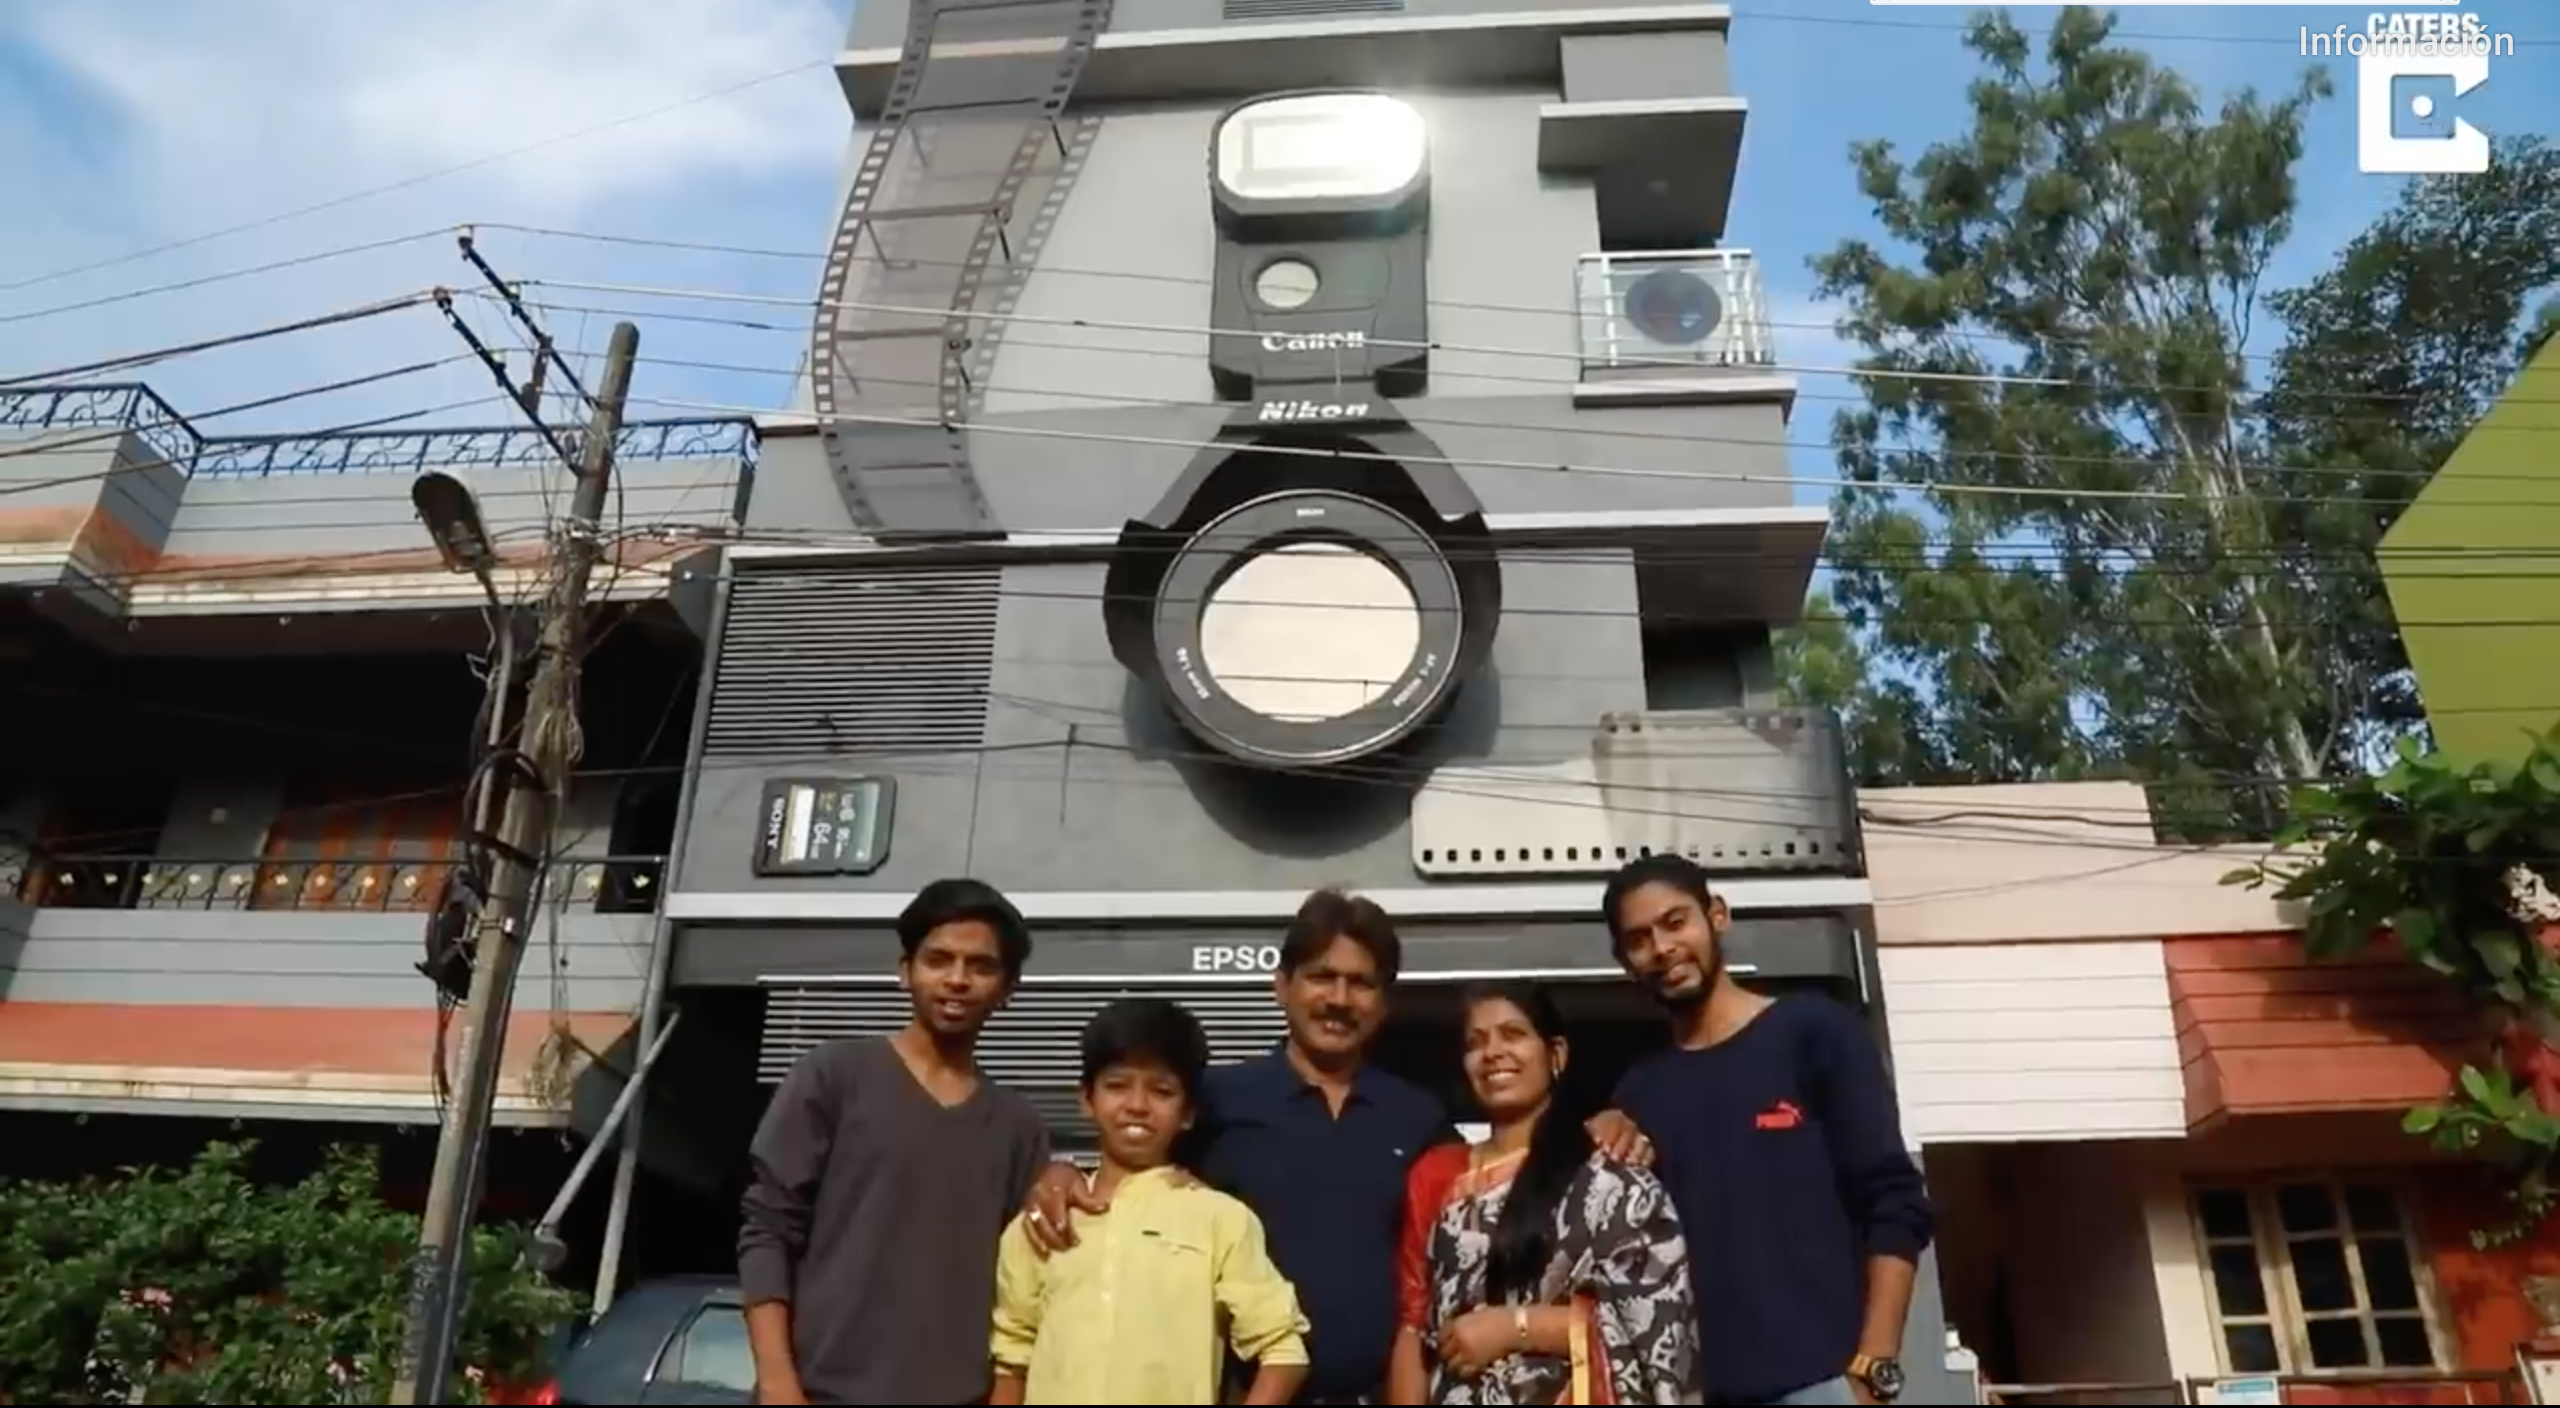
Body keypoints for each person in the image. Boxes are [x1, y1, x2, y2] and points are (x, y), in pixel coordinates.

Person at [1020, 889, 1651, 1404]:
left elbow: (1497, 1196)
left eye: (1361, 983)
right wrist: (1064, 1174)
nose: (1340, 999)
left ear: (1384, 1003)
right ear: (1282, 986)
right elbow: (1135, 1175)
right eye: (1322, 977)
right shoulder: (1218, 1101)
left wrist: (1601, 1121)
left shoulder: (1417, 1116)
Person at [1599, 855, 1935, 1407]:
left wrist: (1872, 1370)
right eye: (1639, 939)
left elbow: (1895, 1203)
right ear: (1624, 961)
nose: (1662, 948)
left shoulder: (1814, 1032)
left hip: (1824, 1386)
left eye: (1675, 922)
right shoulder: (1640, 1092)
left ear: (1717, 915)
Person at [737, 878, 1052, 1406]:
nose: (957, 979)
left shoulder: (1019, 1127)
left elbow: (1025, 1288)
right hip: (818, 1394)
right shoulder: (833, 1076)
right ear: (905, 971)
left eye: (980, 966)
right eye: (939, 960)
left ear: (1008, 989)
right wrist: (777, 1382)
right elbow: (767, 1229)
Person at [1387, 982, 1699, 1406]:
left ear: (1557, 1055)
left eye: (1512, 1034)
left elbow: (1658, 1321)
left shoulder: (1611, 1178)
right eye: (1476, 1043)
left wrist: (1517, 1327)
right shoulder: (1440, 1176)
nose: (1493, 1052)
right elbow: (1416, 1327)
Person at [988, 997, 1312, 1405]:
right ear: (1086, 1099)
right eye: (1117, 1086)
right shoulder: (1044, 1221)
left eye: (1162, 1091)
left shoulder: (1220, 1219)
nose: (1137, 1106)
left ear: (1187, 1113)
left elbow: (1284, 1352)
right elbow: (1012, 1358)